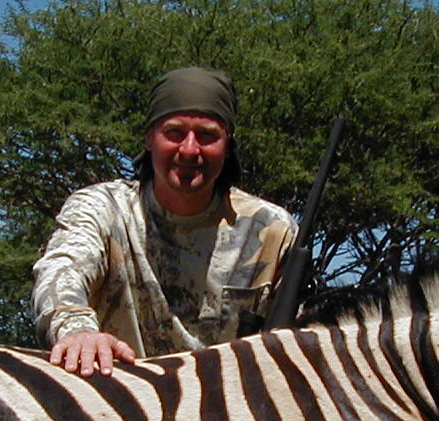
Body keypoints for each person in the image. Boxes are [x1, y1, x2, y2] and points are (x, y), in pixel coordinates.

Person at [32, 66, 296, 376]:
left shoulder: (271, 229)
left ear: (228, 146)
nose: (189, 149)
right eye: (175, 132)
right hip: (115, 395)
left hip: (229, 409)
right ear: (149, 139)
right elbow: (62, 269)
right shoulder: (103, 208)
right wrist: (77, 330)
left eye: (208, 136)